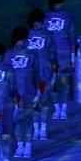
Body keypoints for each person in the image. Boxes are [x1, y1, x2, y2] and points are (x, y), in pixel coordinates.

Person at [44, 0, 76, 121]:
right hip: (50, 55)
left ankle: (63, 109)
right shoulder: (45, 17)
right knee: (51, 84)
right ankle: (57, 108)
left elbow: (72, 35)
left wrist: (73, 55)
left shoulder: (67, 16)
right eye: (58, 2)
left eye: (61, 2)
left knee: (63, 82)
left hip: (64, 54)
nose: (60, 5)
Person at [27, 8, 57, 141]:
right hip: (31, 75)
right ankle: (36, 128)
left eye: (42, 21)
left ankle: (43, 129)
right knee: (34, 103)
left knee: (44, 102)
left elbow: (52, 54)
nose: (41, 24)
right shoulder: (26, 36)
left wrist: (53, 69)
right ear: (34, 23)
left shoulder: (48, 36)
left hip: (45, 73)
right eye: (38, 22)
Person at [8, 26, 37, 159]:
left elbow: (36, 74)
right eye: (21, 40)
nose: (23, 42)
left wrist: (38, 93)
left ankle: (28, 145)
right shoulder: (8, 55)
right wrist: (11, 94)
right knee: (18, 121)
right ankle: (20, 145)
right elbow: (7, 77)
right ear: (15, 40)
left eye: (24, 40)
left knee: (28, 119)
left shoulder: (31, 55)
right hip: (14, 95)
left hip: (29, 93)